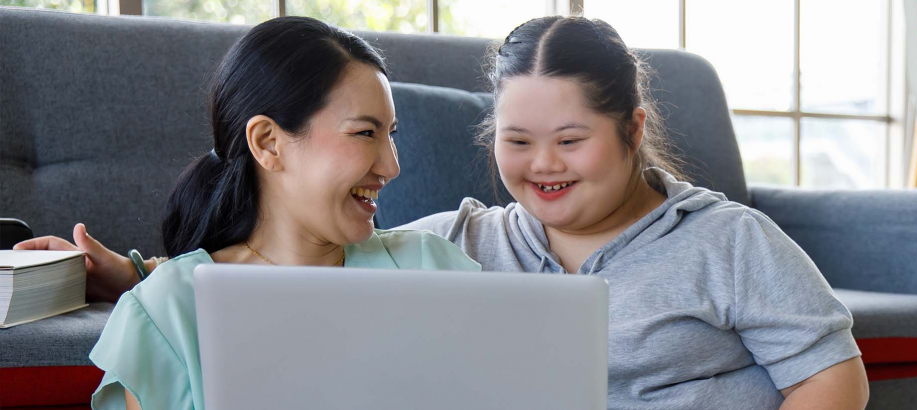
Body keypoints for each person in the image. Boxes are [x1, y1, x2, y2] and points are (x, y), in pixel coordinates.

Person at [21, 16, 869, 410]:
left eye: (571, 140)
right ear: (270, 144)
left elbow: (833, 374)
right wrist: (137, 277)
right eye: (517, 140)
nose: (541, 166)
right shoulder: (466, 243)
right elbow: (263, 279)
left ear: (632, 129)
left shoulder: (723, 240)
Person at [62, 17, 481, 410]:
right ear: (268, 142)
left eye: (390, 135)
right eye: (365, 133)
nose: (391, 166)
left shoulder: (432, 268)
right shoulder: (168, 310)